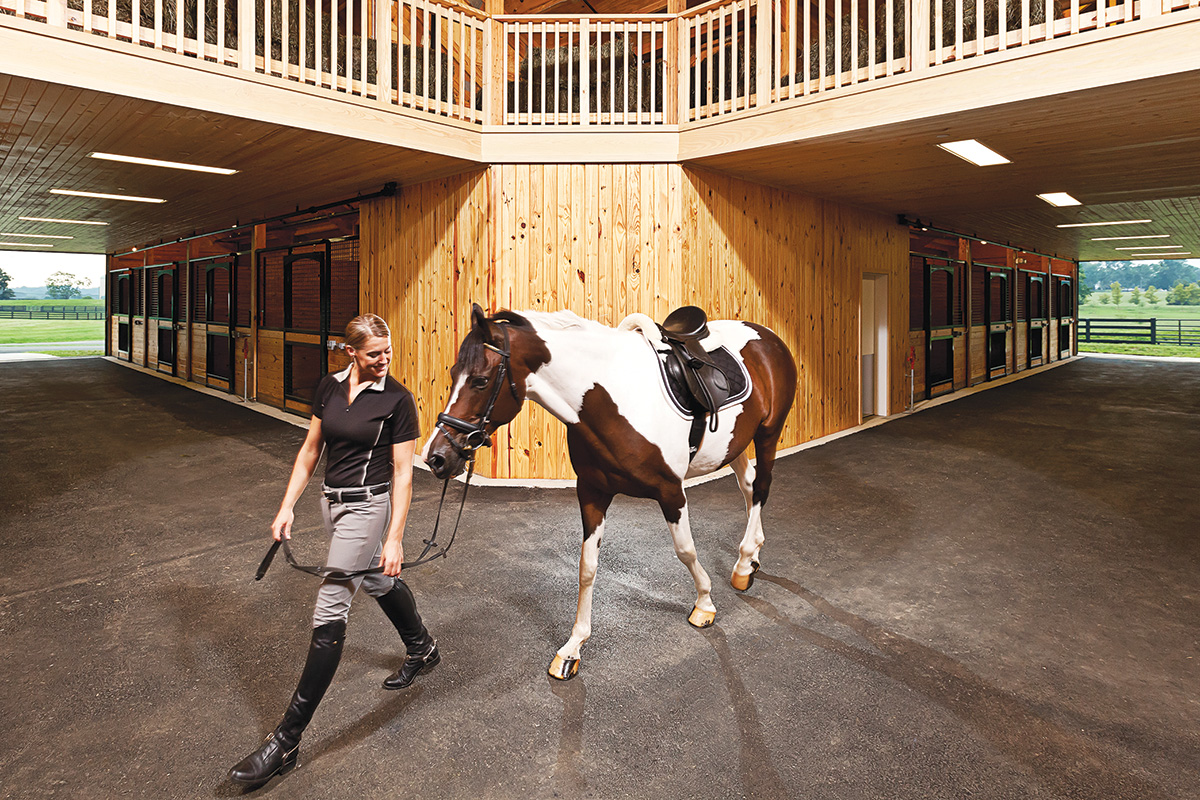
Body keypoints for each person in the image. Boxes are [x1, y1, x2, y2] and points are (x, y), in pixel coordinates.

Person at [229, 313, 440, 786]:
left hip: (368, 508)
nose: (384, 360)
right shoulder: (328, 387)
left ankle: (286, 741)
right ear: (350, 353)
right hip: (332, 505)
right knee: (376, 579)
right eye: (374, 354)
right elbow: (310, 449)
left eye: (388, 351)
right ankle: (422, 647)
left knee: (330, 610)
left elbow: (404, 473)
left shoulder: (398, 400)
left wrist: (394, 536)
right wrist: (287, 507)